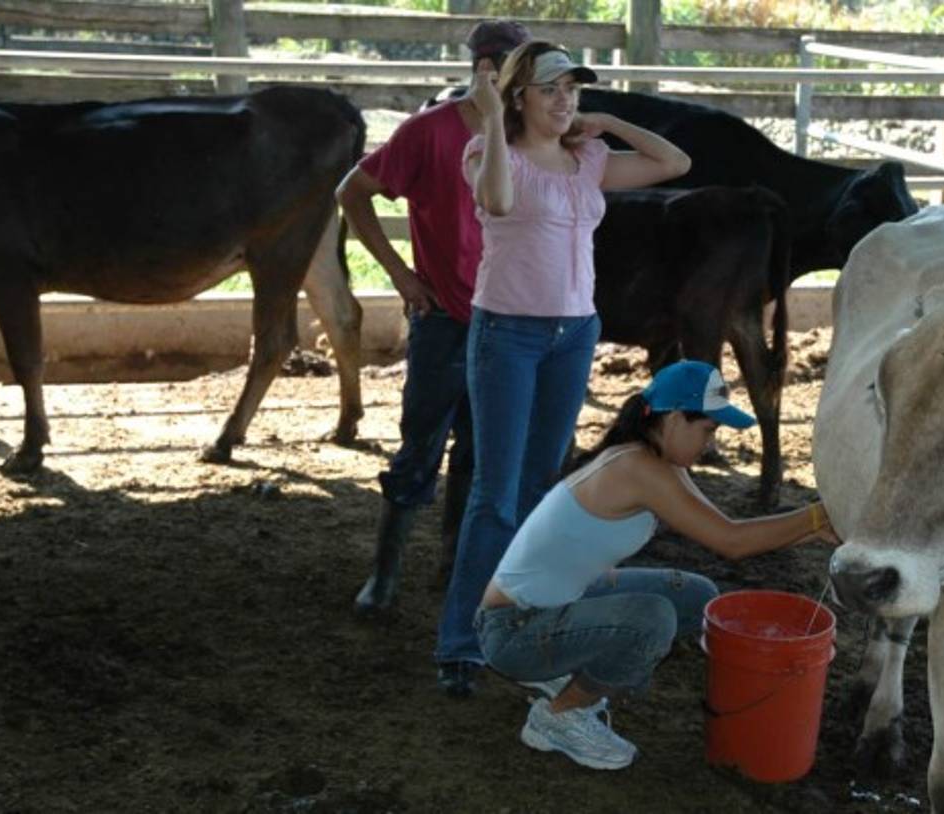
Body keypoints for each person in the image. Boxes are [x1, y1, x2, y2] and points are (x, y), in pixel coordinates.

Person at [433, 41, 693, 697]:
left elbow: (674, 161)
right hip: (508, 333)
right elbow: (494, 201)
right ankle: (461, 641)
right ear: (519, 95)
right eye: (550, 89)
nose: (565, 100)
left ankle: (524, 618)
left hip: (574, 333)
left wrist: (608, 123)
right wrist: (490, 120)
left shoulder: (587, 159)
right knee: (495, 491)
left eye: (572, 90)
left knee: (543, 483)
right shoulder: (491, 153)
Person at [476, 360, 839, 770]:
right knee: (652, 619)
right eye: (708, 429)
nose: (710, 442)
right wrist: (815, 515)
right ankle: (559, 717)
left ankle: (568, 664)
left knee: (696, 596)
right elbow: (731, 542)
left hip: (551, 605)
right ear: (673, 418)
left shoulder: (657, 460)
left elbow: (730, 529)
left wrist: (815, 529)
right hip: (513, 630)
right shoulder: (638, 468)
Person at [336, 20, 531, 619]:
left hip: (508, 318)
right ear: (482, 69)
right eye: (507, 70)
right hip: (445, 316)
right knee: (421, 446)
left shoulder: (529, 137)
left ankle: (456, 567)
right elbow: (353, 190)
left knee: (481, 450)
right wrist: (399, 272)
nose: (514, 85)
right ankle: (385, 574)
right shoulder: (429, 133)